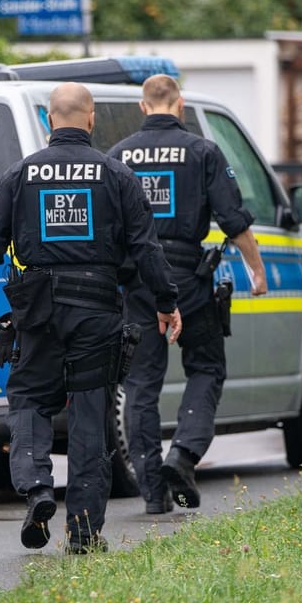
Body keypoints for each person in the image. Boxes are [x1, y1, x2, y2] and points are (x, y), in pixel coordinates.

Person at [0, 82, 182, 554]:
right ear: (91, 118)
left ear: (48, 121)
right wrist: (166, 301)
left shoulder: (19, 175)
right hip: (96, 313)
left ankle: (37, 487)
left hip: (37, 312)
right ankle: (83, 535)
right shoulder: (116, 175)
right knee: (88, 418)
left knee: (29, 399)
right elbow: (146, 248)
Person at [107, 74, 268, 514]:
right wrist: (257, 270)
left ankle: (153, 493)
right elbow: (234, 219)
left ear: (143, 108)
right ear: (180, 105)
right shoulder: (203, 151)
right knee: (207, 367)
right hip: (188, 278)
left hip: (138, 281)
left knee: (141, 384)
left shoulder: (118, 155)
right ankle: (183, 453)